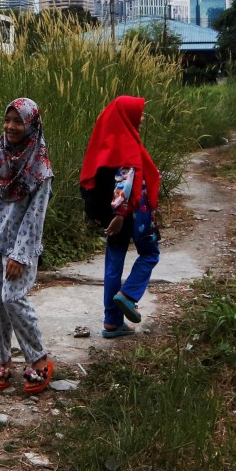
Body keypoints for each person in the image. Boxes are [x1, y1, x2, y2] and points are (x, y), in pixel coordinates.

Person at [0, 99, 55, 395]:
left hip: (20, 244)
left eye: (18, 121)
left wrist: (21, 255)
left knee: (12, 297)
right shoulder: (1, 149)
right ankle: (4, 358)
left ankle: (39, 357)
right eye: (7, 120)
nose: (10, 126)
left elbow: (36, 217)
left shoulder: (40, 167)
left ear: (32, 124)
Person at [79, 95, 161, 339]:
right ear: (127, 116)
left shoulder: (106, 140)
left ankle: (112, 321)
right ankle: (129, 294)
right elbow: (124, 182)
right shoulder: (127, 143)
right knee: (150, 253)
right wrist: (120, 214)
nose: (143, 117)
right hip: (134, 214)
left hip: (115, 216)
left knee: (113, 264)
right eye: (139, 112)